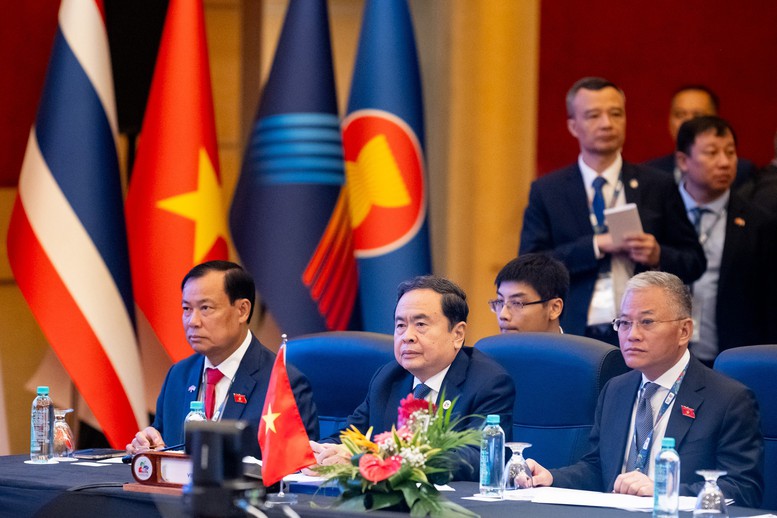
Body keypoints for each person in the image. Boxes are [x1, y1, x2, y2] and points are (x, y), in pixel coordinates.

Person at [525, 271, 764, 508]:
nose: (632, 335)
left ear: (684, 331)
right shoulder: (615, 389)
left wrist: (663, 490)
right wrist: (552, 478)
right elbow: (598, 468)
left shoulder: (728, 400)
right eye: (624, 323)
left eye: (647, 322)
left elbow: (743, 490)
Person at [520, 76, 706, 346]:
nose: (607, 123)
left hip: (642, 333)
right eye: (594, 115)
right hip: (573, 330)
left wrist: (657, 255)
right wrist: (596, 245)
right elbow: (529, 267)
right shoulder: (548, 190)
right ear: (573, 126)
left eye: (616, 113)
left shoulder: (657, 185)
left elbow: (694, 261)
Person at [308, 275, 516, 481]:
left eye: (421, 324)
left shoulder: (488, 383)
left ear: (457, 334)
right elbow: (350, 436)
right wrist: (323, 452)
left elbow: (480, 457)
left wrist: (372, 459)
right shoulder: (388, 378)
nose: (407, 336)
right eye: (400, 325)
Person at [126, 260, 318, 457]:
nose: (193, 321)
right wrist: (147, 444)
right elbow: (161, 440)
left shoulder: (283, 382)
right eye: (186, 308)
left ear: (242, 310)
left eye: (206, 308)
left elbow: (300, 465)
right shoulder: (178, 375)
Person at [675, 116, 777, 363]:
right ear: (683, 161)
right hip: (664, 356)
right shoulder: (657, 211)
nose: (724, 162)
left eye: (730, 153)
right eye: (711, 153)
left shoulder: (758, 222)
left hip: (729, 357)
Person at [644, 85, 756, 187]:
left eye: (698, 115)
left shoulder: (742, 172)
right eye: (679, 115)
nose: (687, 122)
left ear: (715, 119)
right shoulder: (649, 172)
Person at [490, 253, 569, 334]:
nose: (503, 315)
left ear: (554, 308)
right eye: (500, 302)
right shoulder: (486, 342)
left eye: (517, 303)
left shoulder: (575, 343)